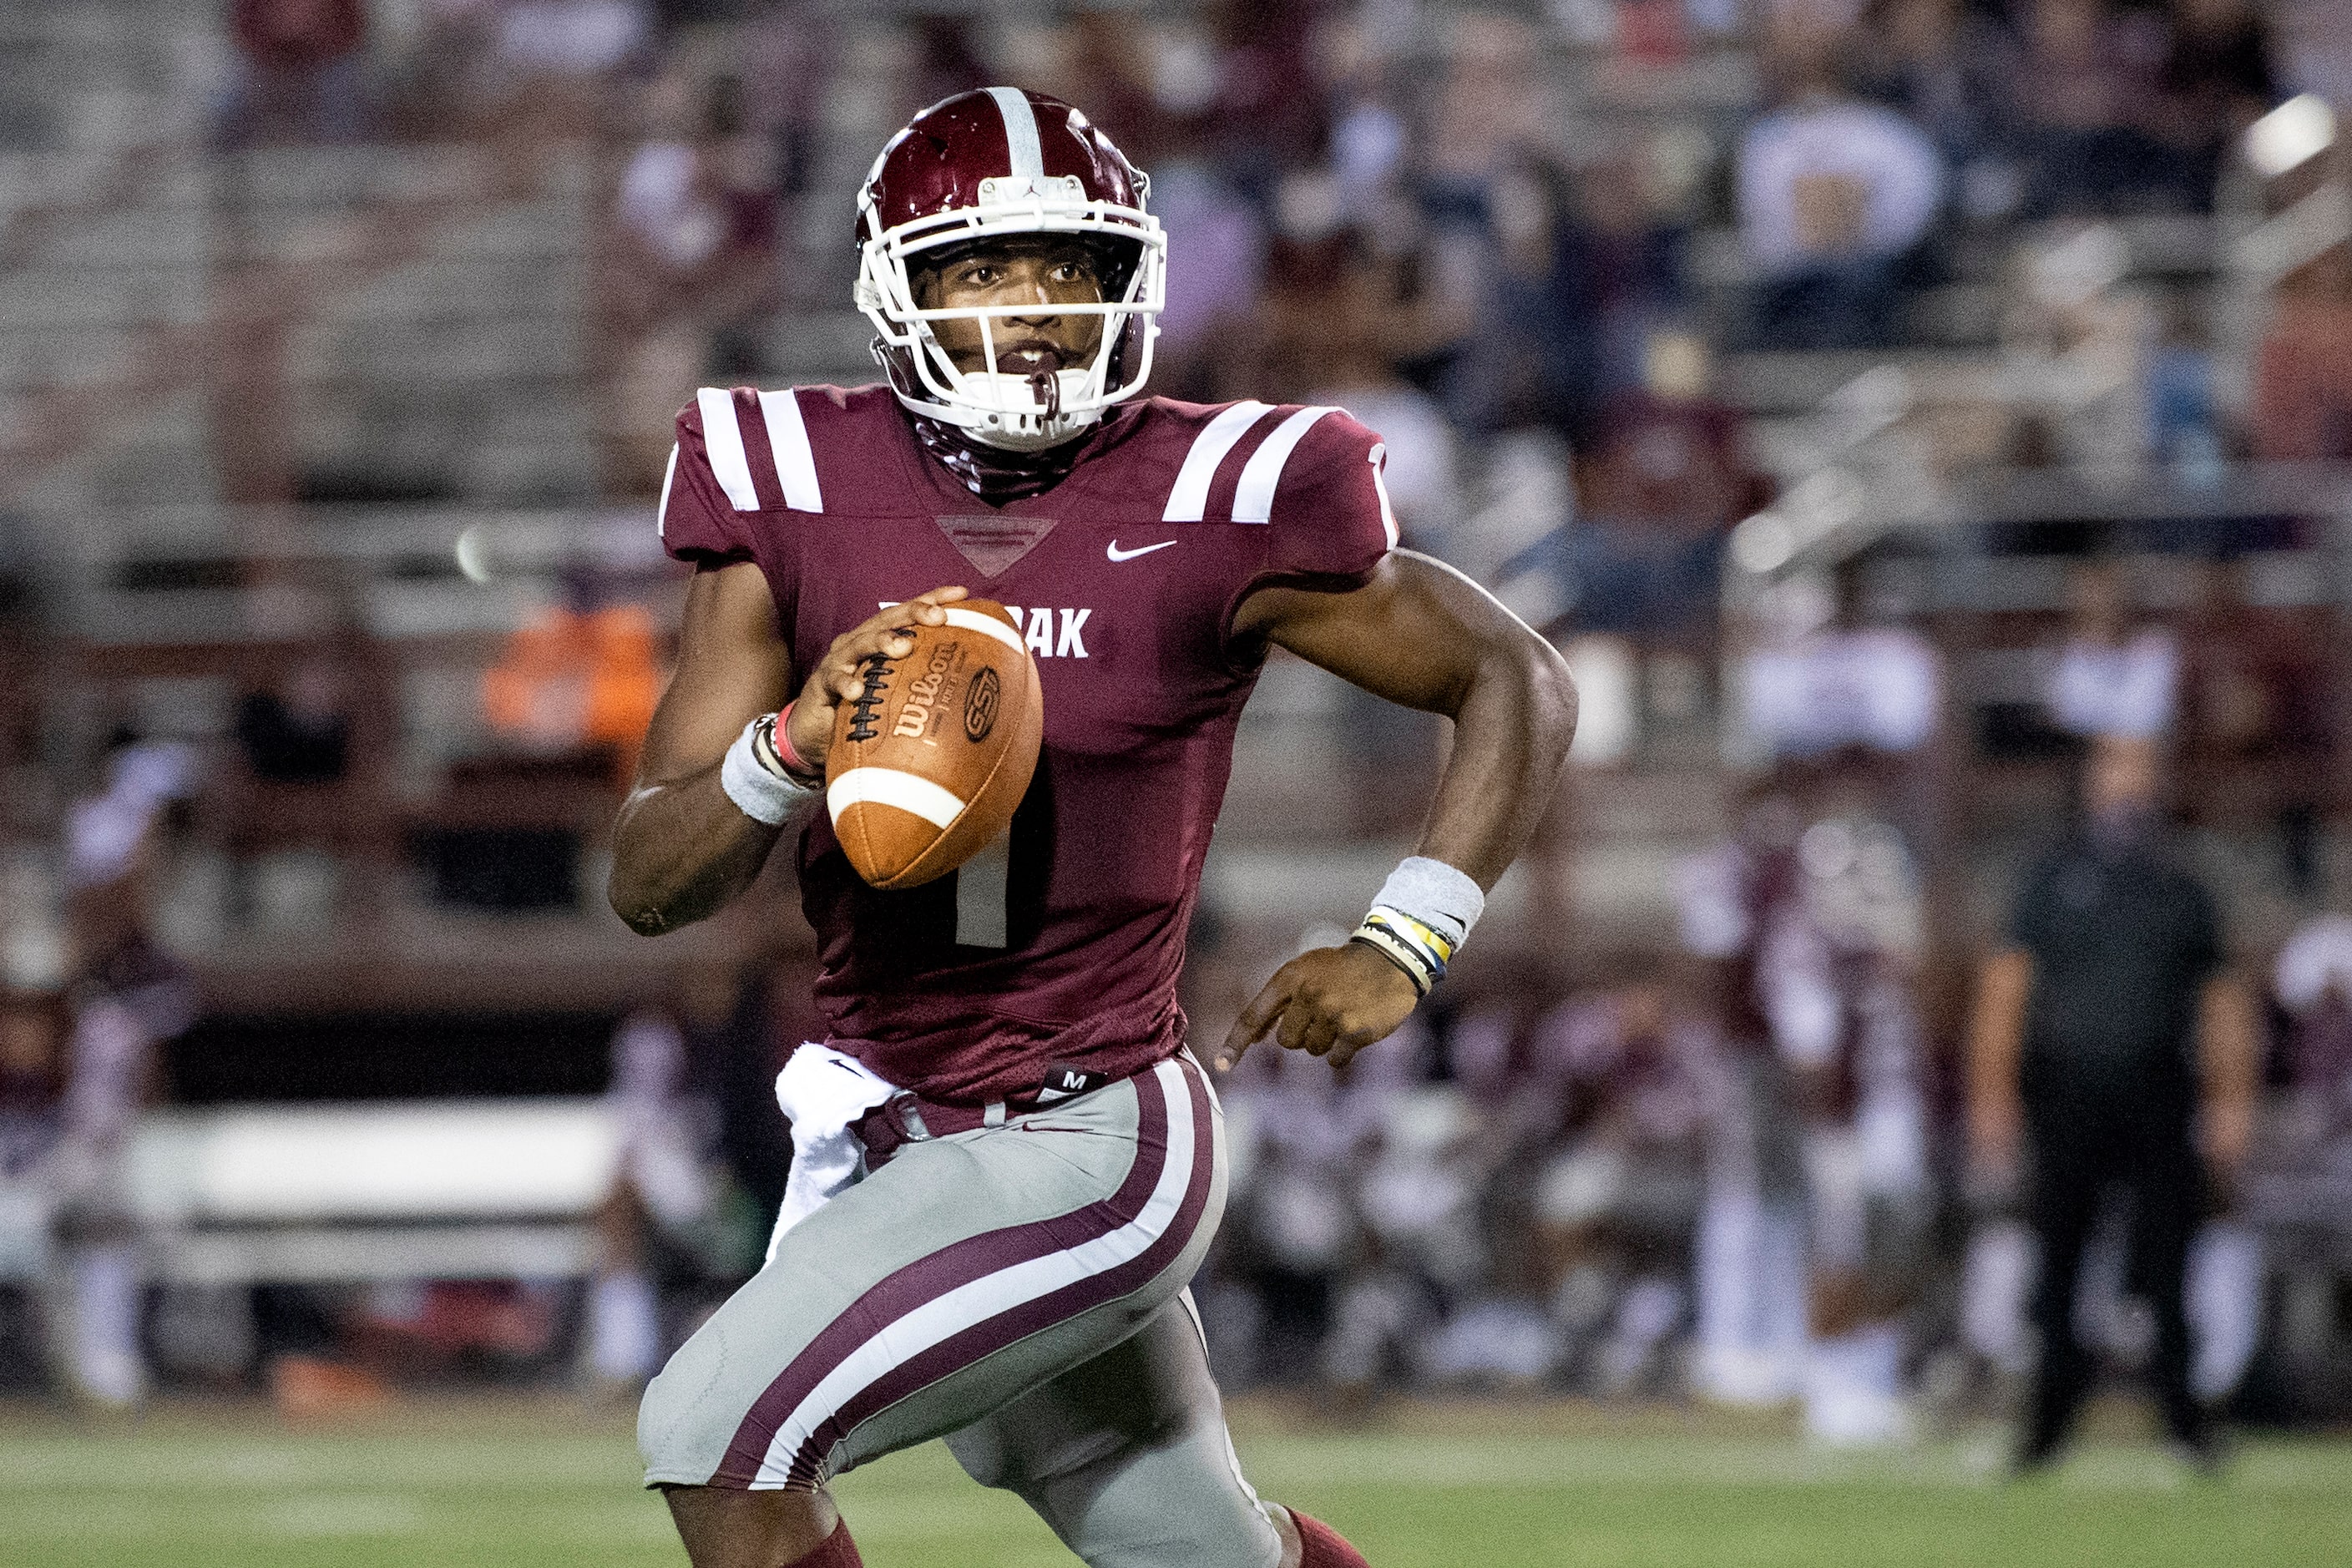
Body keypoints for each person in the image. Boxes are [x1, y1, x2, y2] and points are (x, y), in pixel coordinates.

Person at [605, 89, 1577, 1568]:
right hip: (888, 1119)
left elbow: (1513, 672)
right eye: (981, 270)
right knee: (1205, 1555)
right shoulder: (792, 478)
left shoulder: (1221, 490)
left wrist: (1409, 934)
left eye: (1066, 263)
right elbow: (648, 879)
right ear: (896, 286)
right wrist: (790, 743)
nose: (1034, 307)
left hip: (1086, 1129)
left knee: (717, 1433)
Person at [1966, 735, 2259, 1472]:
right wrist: (1992, 1093)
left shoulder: (2179, 883)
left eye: (2139, 771)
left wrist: (2231, 1099)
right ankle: (2047, 1422)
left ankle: (2183, 1421)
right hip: (2065, 1095)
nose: (2127, 787)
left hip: (2159, 1093)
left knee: (2168, 1264)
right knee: (2057, 1263)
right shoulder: (2052, 877)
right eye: (2115, 770)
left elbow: (2221, 1000)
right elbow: (2006, 989)